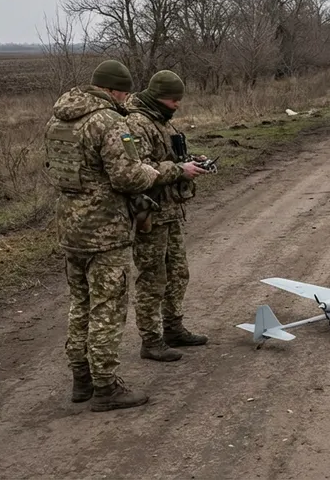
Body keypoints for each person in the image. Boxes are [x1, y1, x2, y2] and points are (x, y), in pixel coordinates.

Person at [43, 60, 205, 412]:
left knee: (80, 304)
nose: (125, 99)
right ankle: (105, 387)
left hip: (70, 225)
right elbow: (127, 177)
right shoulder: (107, 122)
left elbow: (54, 170)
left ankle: (82, 380)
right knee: (108, 307)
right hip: (105, 229)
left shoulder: (58, 120)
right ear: (112, 90)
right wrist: (156, 172)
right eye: (123, 92)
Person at [125, 70, 209, 362]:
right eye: (174, 99)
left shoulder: (160, 120)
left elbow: (167, 158)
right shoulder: (137, 123)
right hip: (150, 212)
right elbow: (139, 169)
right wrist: (178, 170)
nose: (177, 105)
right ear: (159, 97)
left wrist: (190, 162)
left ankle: (173, 328)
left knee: (177, 273)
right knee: (153, 277)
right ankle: (151, 340)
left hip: (170, 210)